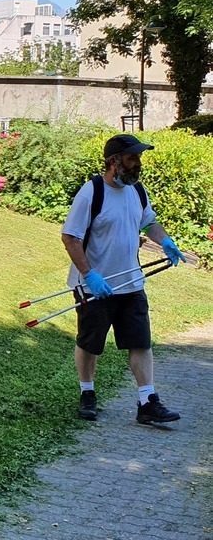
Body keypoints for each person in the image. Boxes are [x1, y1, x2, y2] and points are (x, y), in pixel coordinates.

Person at [60, 134, 185, 424]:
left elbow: (149, 221)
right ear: (114, 161)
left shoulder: (137, 191)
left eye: (138, 158)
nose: (138, 164)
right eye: (133, 158)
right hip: (95, 286)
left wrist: (166, 241)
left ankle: (147, 401)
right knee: (90, 343)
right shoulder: (91, 193)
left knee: (140, 342)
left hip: (131, 282)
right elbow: (70, 237)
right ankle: (87, 394)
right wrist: (90, 275)